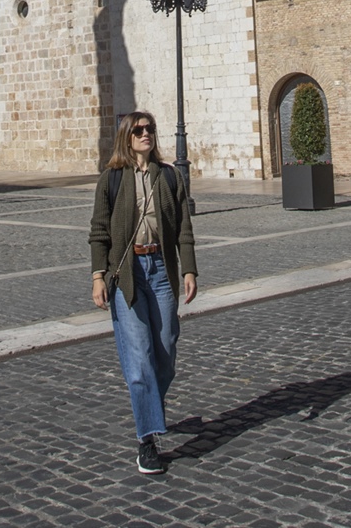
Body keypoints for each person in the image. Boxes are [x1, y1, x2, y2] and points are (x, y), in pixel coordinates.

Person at [88, 110, 198, 475]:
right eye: (139, 130)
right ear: (126, 137)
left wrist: (189, 269)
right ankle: (147, 440)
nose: (146, 134)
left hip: (161, 272)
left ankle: (150, 406)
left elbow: (183, 226)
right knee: (139, 359)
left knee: (165, 350)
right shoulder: (112, 179)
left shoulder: (168, 176)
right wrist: (98, 276)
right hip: (128, 276)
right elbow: (99, 230)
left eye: (150, 128)